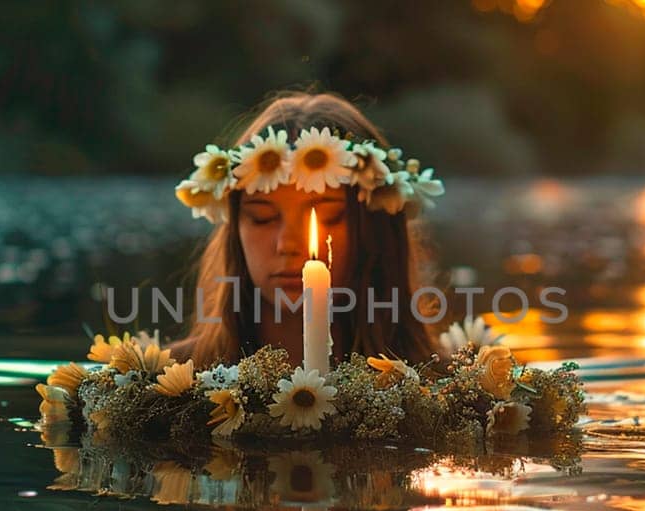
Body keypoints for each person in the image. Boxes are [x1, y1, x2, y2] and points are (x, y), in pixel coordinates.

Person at [167, 91, 445, 368]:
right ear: (235, 229)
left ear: (375, 231)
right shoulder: (169, 381)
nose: (287, 243)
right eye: (262, 217)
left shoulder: (444, 391)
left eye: (328, 216)